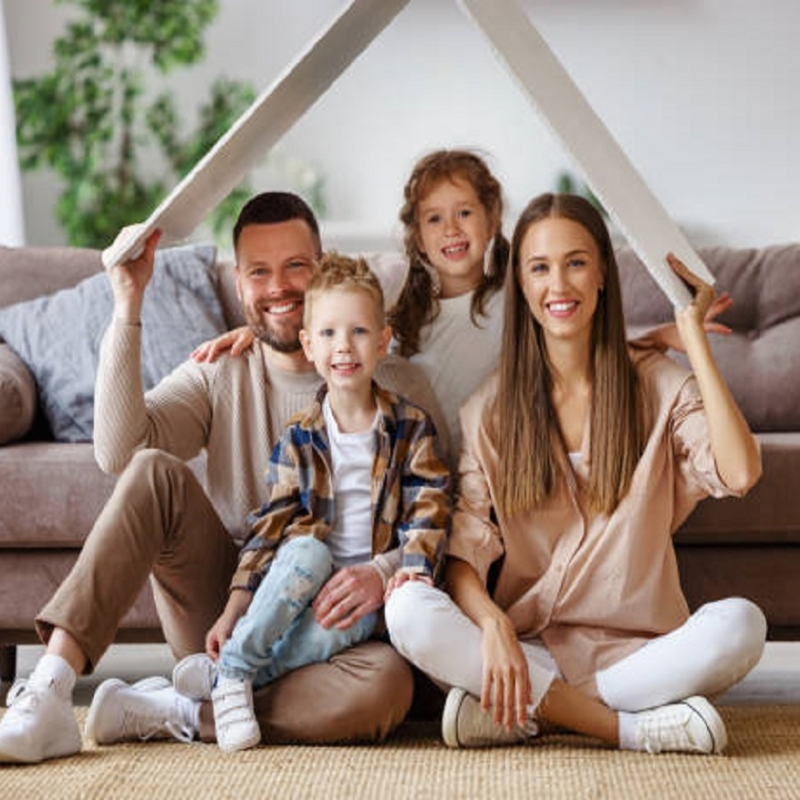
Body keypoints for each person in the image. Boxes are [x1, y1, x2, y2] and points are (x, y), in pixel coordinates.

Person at [0, 192, 447, 765]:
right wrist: (128, 303)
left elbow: (440, 509)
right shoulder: (219, 370)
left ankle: (183, 711)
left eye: (296, 266)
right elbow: (116, 451)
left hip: (338, 629)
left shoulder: (400, 387)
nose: (279, 286)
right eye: (260, 271)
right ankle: (51, 690)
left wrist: (383, 572)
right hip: (224, 612)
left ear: (323, 265)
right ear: (239, 285)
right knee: (151, 469)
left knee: (387, 690)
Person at [385, 192, 767, 755]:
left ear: (603, 276)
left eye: (576, 263)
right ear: (520, 283)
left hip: (640, 654)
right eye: (539, 267)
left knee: (742, 625)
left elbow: (740, 473)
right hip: (531, 650)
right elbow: (465, 556)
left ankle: (529, 713)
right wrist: (492, 626)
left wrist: (692, 342)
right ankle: (626, 728)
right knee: (408, 610)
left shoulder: (657, 385)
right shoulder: (489, 411)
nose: (558, 285)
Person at [178, 253, 449, 752]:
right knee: (307, 550)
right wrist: (235, 607)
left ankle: (233, 675)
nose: (343, 347)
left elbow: (430, 508)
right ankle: (236, 664)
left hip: (366, 601)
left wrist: (403, 569)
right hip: (300, 584)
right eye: (327, 334)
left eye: (359, 333)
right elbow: (270, 527)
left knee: (358, 617)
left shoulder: (410, 428)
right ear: (307, 344)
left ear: (383, 340)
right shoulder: (299, 438)